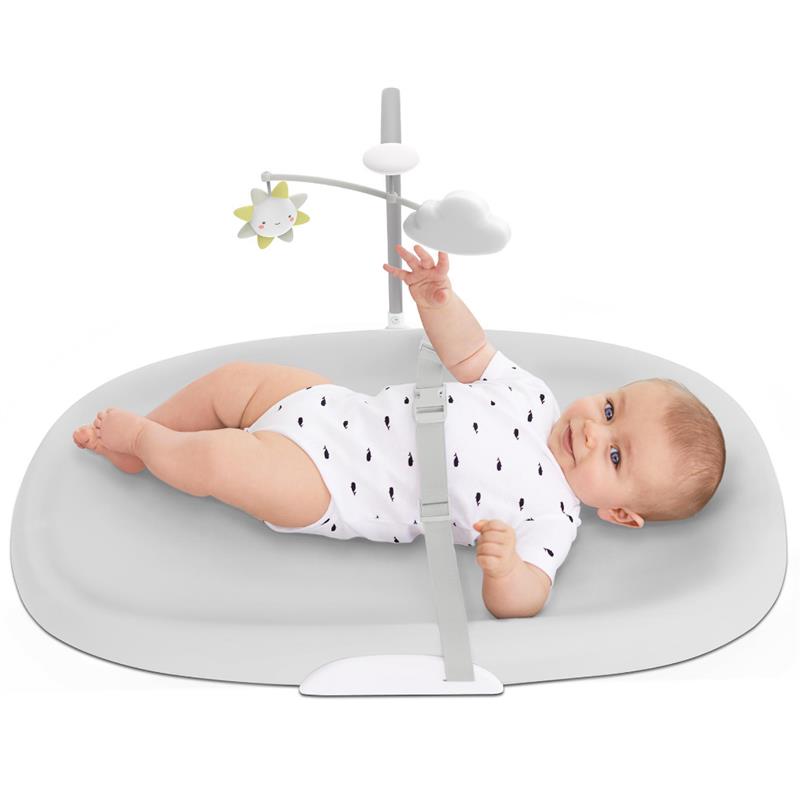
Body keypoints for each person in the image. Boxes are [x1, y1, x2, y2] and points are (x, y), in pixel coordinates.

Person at [72, 244, 725, 619]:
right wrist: (439, 299)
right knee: (236, 381)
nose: (590, 433)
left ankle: (145, 443)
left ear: (620, 513)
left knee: (223, 461)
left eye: (616, 456)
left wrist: (504, 572)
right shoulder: (534, 396)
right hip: (334, 407)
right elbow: (470, 353)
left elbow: (526, 598)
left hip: (332, 486)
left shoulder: (553, 519)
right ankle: (159, 426)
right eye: (609, 410)